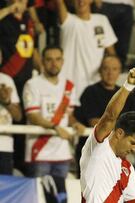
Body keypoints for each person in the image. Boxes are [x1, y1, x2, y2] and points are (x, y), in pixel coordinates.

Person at [80, 59, 135, 203]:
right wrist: (129, 85)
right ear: (119, 133)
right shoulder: (98, 146)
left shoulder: (127, 169)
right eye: (132, 142)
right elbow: (109, 116)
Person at [22, 45, 85, 202]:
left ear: (63, 61)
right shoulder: (32, 84)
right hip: (39, 151)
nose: (53, 63)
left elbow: (68, 115)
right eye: (49, 59)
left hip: (62, 152)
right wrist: (56, 128)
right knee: (40, 198)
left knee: (61, 199)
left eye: (57, 59)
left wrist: (76, 123)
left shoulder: (69, 86)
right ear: (42, 61)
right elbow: (33, 116)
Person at [56, 0, 117, 100]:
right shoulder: (68, 20)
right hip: (70, 84)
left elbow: (112, 54)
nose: (81, 2)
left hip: (95, 83)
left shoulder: (102, 20)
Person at [0, 0, 42, 95]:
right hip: (7, 78)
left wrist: (41, 69)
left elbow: (32, 49)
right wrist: (8, 10)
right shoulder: (4, 18)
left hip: (27, 79)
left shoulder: (29, 20)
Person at [94, 0, 134, 68]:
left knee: (123, 45)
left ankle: (119, 71)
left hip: (127, 5)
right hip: (105, 4)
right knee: (102, 44)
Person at [0, 72, 22, 175]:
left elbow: (18, 117)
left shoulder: (6, 80)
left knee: (4, 189)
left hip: (4, 147)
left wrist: (7, 101)